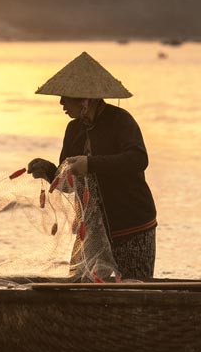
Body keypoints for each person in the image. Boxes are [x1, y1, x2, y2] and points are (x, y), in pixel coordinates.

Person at [27, 52, 157, 279]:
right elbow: (68, 182)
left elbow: (138, 159)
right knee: (86, 287)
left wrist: (91, 164)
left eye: (66, 97)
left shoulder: (120, 120)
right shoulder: (73, 130)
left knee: (132, 287)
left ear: (86, 100)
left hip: (131, 226)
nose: (61, 103)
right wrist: (48, 171)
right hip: (93, 230)